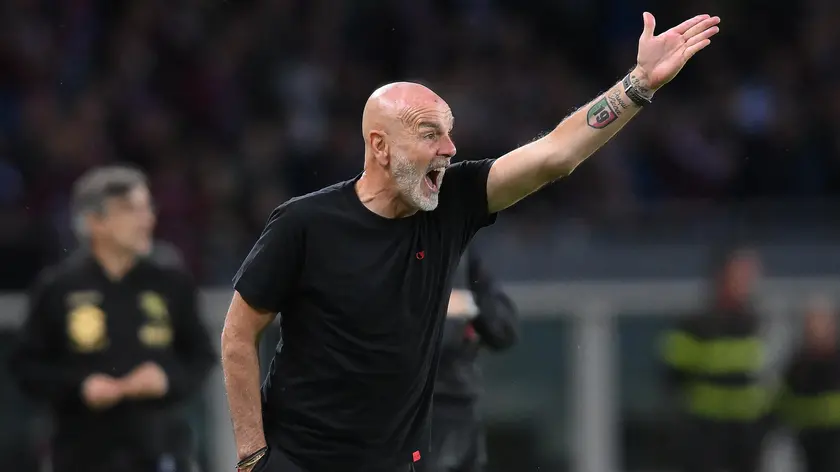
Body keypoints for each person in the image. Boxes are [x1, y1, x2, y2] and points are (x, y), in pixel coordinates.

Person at [221, 12, 720, 472]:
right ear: (379, 145)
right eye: (429, 134)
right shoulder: (304, 223)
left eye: (450, 133)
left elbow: (556, 155)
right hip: (301, 462)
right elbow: (239, 334)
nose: (449, 148)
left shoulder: (451, 205)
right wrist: (251, 456)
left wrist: (637, 86)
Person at [9, 166, 217, 472]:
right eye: (130, 210)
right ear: (95, 222)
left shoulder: (171, 281)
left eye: (147, 207)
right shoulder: (59, 287)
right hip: (80, 454)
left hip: (160, 450)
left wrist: (167, 379)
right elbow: (25, 366)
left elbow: (201, 355)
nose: (147, 219)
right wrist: (79, 387)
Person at [660, 246, 767, 472]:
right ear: (722, 278)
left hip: (746, 437)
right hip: (706, 434)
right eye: (741, 276)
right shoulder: (695, 325)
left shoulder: (756, 324)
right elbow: (673, 379)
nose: (748, 283)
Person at [427, 250, 517, 472]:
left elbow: (504, 329)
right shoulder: (382, 244)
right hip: (406, 409)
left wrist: (466, 304)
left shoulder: (461, 250)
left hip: (458, 404)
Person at [777, 297, 840, 472]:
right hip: (806, 447)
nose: (814, 330)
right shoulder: (797, 368)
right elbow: (782, 404)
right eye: (810, 324)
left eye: (820, 323)